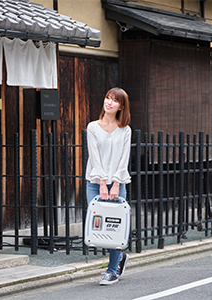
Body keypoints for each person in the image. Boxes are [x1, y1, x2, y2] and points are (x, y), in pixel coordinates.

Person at [85, 87, 132, 286]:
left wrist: (116, 183)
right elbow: (94, 157)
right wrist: (103, 182)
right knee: (99, 229)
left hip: (118, 185)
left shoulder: (125, 130)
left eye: (114, 100)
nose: (109, 102)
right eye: (107, 98)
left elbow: (124, 159)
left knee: (114, 228)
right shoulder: (93, 127)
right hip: (96, 184)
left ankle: (111, 271)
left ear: (121, 106)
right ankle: (120, 257)